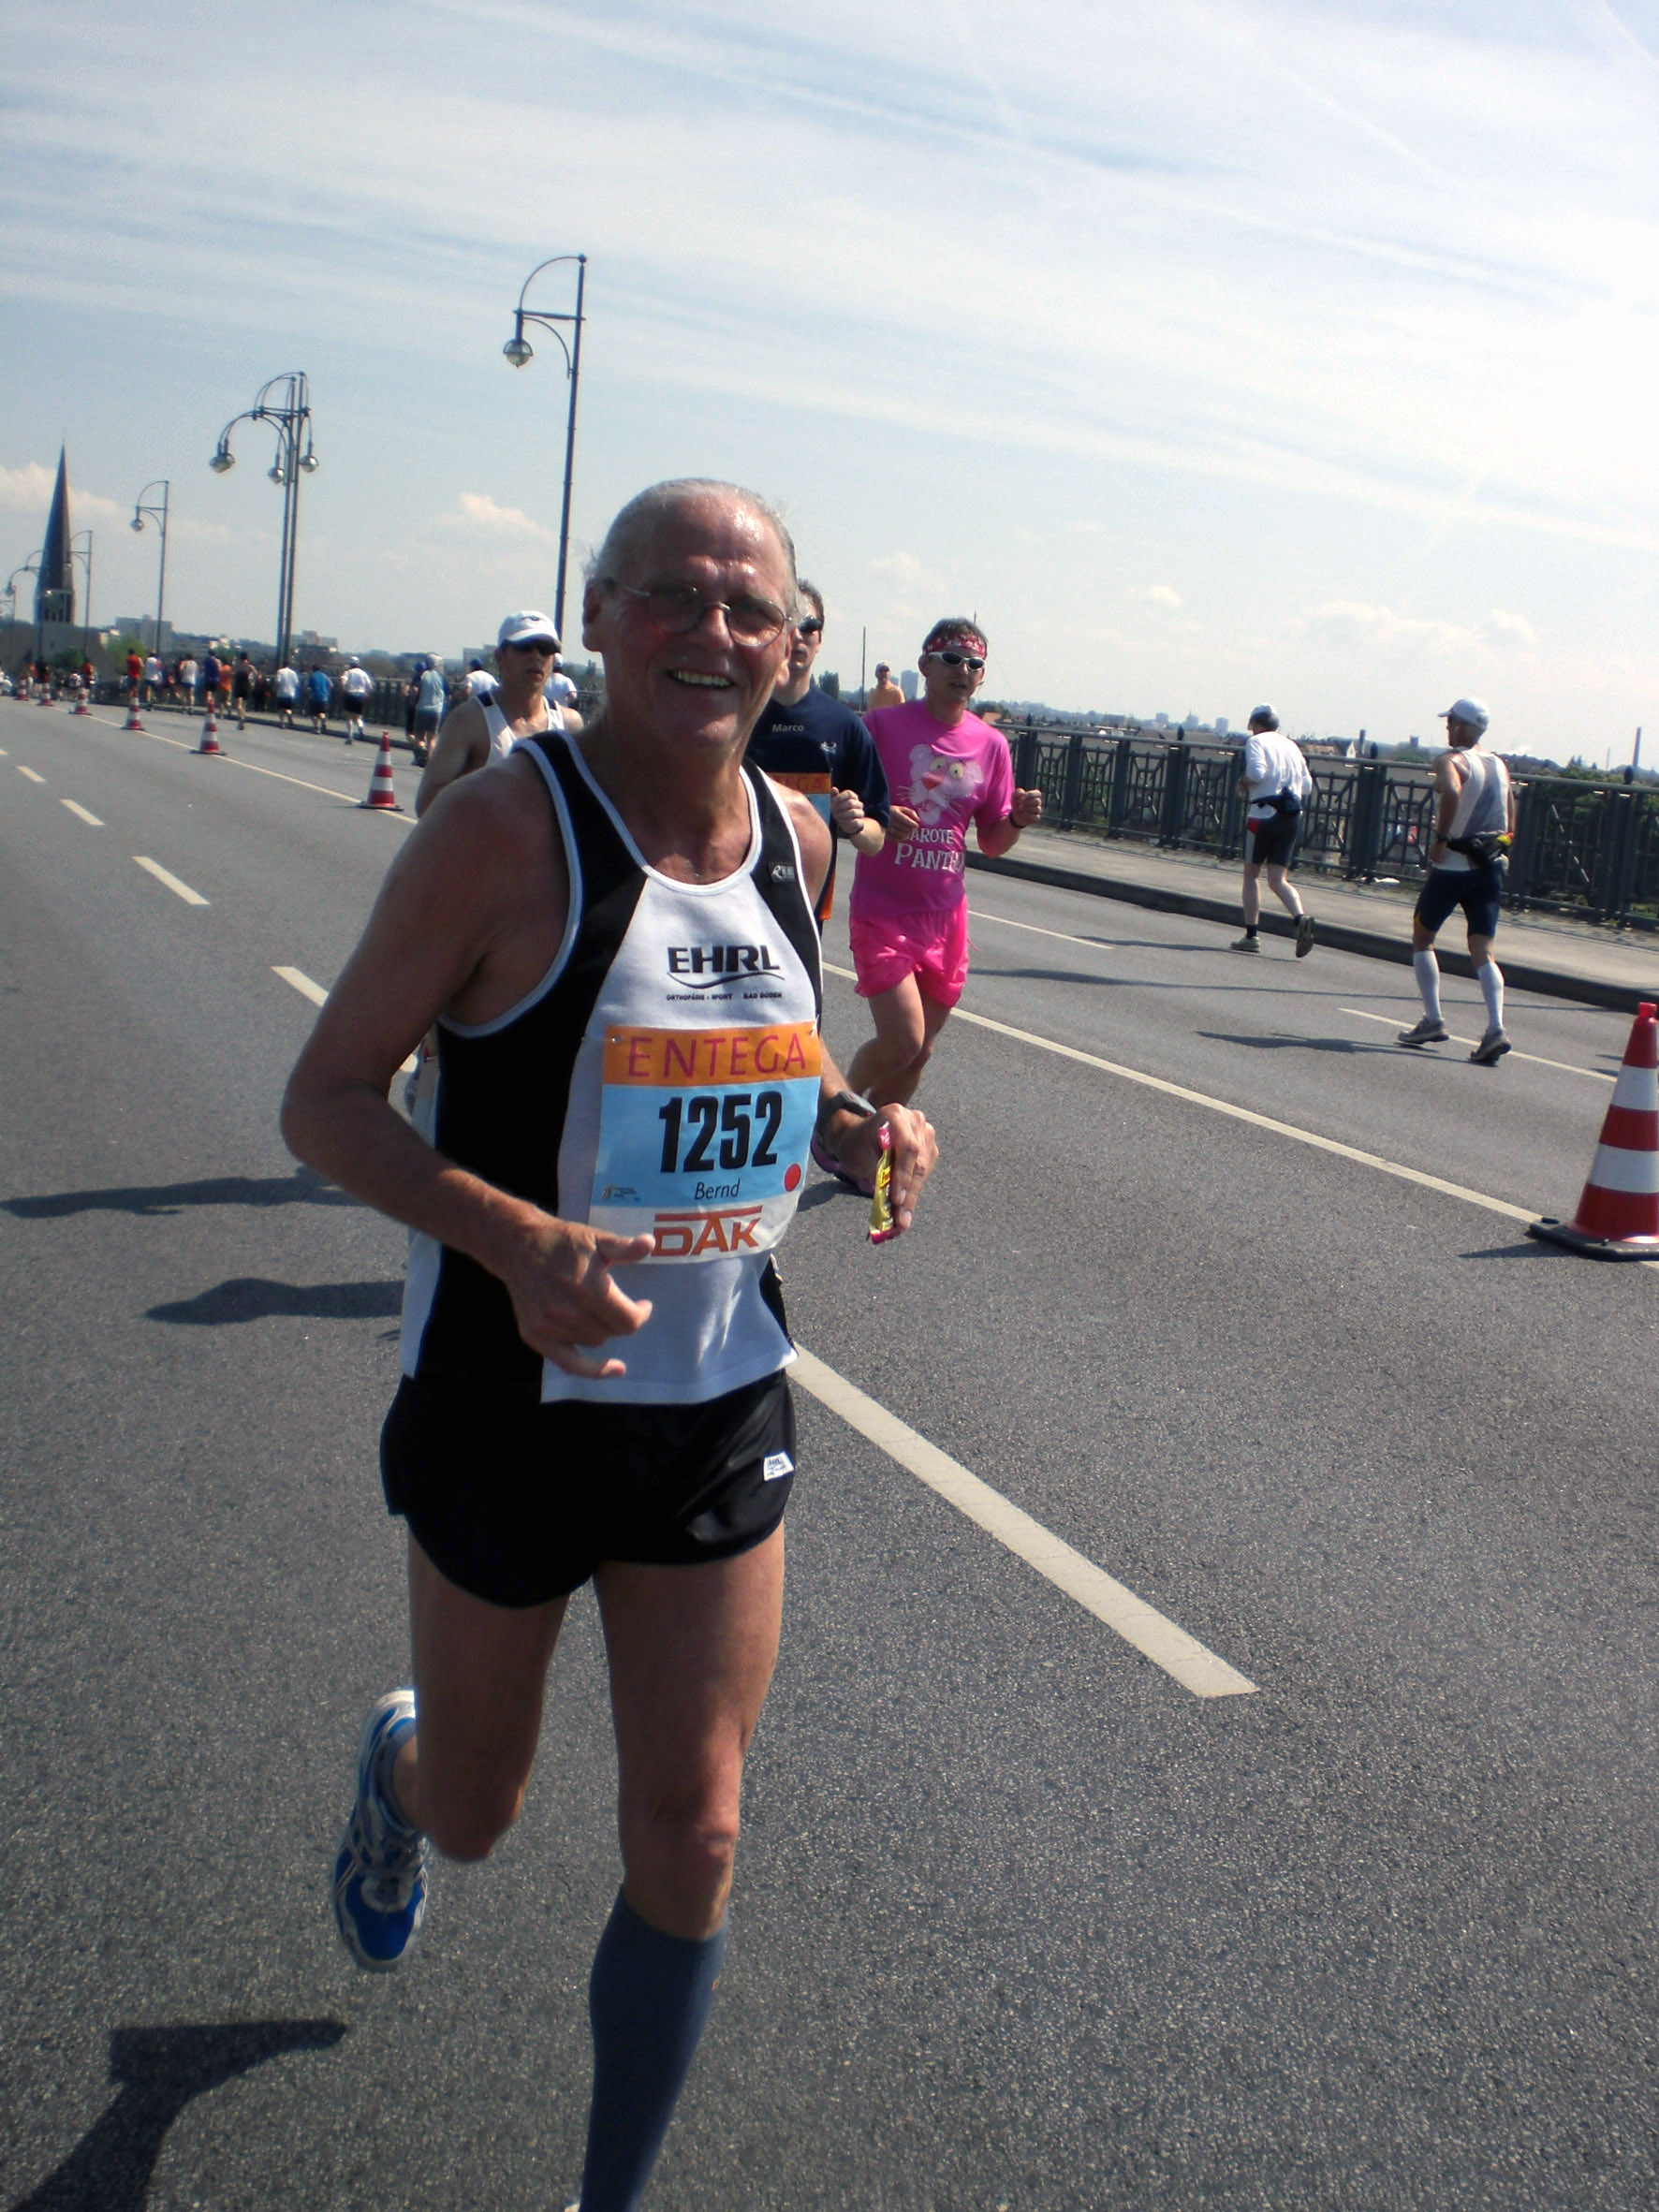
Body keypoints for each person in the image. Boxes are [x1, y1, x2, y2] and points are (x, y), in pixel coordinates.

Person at [280, 477, 936, 2212]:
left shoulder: (800, 841)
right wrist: (513, 1238)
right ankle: (398, 1778)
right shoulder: (502, 834)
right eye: (669, 596)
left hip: (713, 1403)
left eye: (748, 607)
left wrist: (855, 1132)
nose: (710, 632)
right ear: (600, 619)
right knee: (479, 1808)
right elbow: (324, 1098)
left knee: (695, 1831)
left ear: (792, 647)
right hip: (505, 1403)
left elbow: (770, 1074)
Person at [834, 618, 1042, 1140]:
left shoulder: (991, 745)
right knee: (903, 1040)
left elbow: (992, 842)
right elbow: (845, 797)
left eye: (974, 664)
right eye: (951, 659)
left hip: (944, 917)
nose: (962, 671)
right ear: (925, 665)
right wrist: (880, 814)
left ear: (981, 677)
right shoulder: (882, 727)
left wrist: (1017, 820)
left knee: (921, 1051)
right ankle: (832, 1116)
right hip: (883, 909)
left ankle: (873, 1145)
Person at [744, 579, 888, 926]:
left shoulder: (845, 726)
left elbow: (877, 838)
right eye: (789, 622)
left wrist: (856, 825)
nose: (798, 635)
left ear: (820, 639)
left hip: (805, 910)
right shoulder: (736, 714)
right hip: (736, 899)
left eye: (809, 626)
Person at [1398, 696, 1515, 1064]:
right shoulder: (1499, 764)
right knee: (1483, 950)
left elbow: (1451, 791)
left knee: (1423, 936)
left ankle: (1433, 1019)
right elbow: (1511, 814)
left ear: (1461, 726)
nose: (1447, 728)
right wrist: (1501, 845)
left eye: (1450, 723)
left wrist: (1441, 839)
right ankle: (1495, 1028)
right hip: (1489, 866)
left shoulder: (1450, 761)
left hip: (1453, 865)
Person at [415, 612, 561, 817]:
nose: (536, 656)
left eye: (545, 649)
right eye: (524, 647)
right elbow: (427, 803)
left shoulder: (568, 724)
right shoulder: (469, 720)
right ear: (500, 656)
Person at [1230, 704, 1315, 956]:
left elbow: (1256, 773)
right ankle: (1300, 918)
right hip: (1291, 816)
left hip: (1262, 814)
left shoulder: (1256, 742)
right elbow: (1307, 786)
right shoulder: (1292, 746)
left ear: (1256, 725)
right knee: (1278, 880)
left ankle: (1251, 935)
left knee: (1251, 875)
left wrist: (1243, 782)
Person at [412, 658, 447, 763]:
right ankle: (429, 760)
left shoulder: (421, 675)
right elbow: (448, 695)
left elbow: (415, 690)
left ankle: (422, 748)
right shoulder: (441, 676)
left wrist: (413, 699)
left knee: (419, 736)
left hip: (422, 709)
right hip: (437, 710)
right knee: (432, 738)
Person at [544, 651, 581, 730]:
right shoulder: (566, 680)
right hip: (560, 714)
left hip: (544, 713)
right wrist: (566, 703)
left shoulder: (544, 680)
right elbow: (573, 695)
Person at [340, 655, 374, 741]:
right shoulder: (363, 673)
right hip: (360, 696)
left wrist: (344, 690)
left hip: (350, 695)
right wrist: (366, 693)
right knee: (358, 718)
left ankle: (350, 736)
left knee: (349, 718)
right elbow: (370, 686)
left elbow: (343, 682)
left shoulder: (347, 673)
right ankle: (360, 728)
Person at [306, 663, 333, 735]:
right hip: (324, 697)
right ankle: (324, 723)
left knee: (313, 714)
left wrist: (308, 690)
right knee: (322, 712)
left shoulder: (312, 676)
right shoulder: (325, 676)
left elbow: (307, 686)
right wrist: (327, 691)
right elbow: (331, 685)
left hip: (314, 697)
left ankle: (316, 728)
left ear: (313, 669)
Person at [231, 651, 255, 729]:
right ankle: (242, 723)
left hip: (238, 685)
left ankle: (241, 718)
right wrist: (252, 682)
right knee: (244, 706)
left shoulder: (237, 665)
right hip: (246, 685)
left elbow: (232, 673)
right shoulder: (250, 666)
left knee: (238, 705)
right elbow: (255, 674)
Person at [273, 659, 300, 727]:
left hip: (281, 693)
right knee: (288, 708)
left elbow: (278, 682)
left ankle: (282, 723)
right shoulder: (293, 673)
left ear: (283, 664)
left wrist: (275, 689)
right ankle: (290, 716)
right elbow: (297, 683)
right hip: (291, 693)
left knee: (280, 709)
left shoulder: (280, 671)